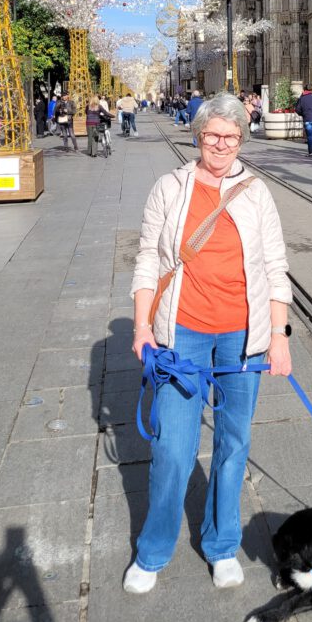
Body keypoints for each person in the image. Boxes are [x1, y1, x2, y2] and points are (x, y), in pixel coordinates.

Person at [124, 93, 292, 594]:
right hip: (183, 333)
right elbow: (147, 260)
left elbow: (276, 267)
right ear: (198, 135)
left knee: (233, 444)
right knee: (173, 449)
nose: (221, 145)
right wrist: (141, 327)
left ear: (242, 140)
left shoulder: (257, 193)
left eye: (231, 137)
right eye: (213, 135)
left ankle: (222, 546)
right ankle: (153, 551)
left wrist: (279, 337)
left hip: (243, 337)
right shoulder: (170, 187)